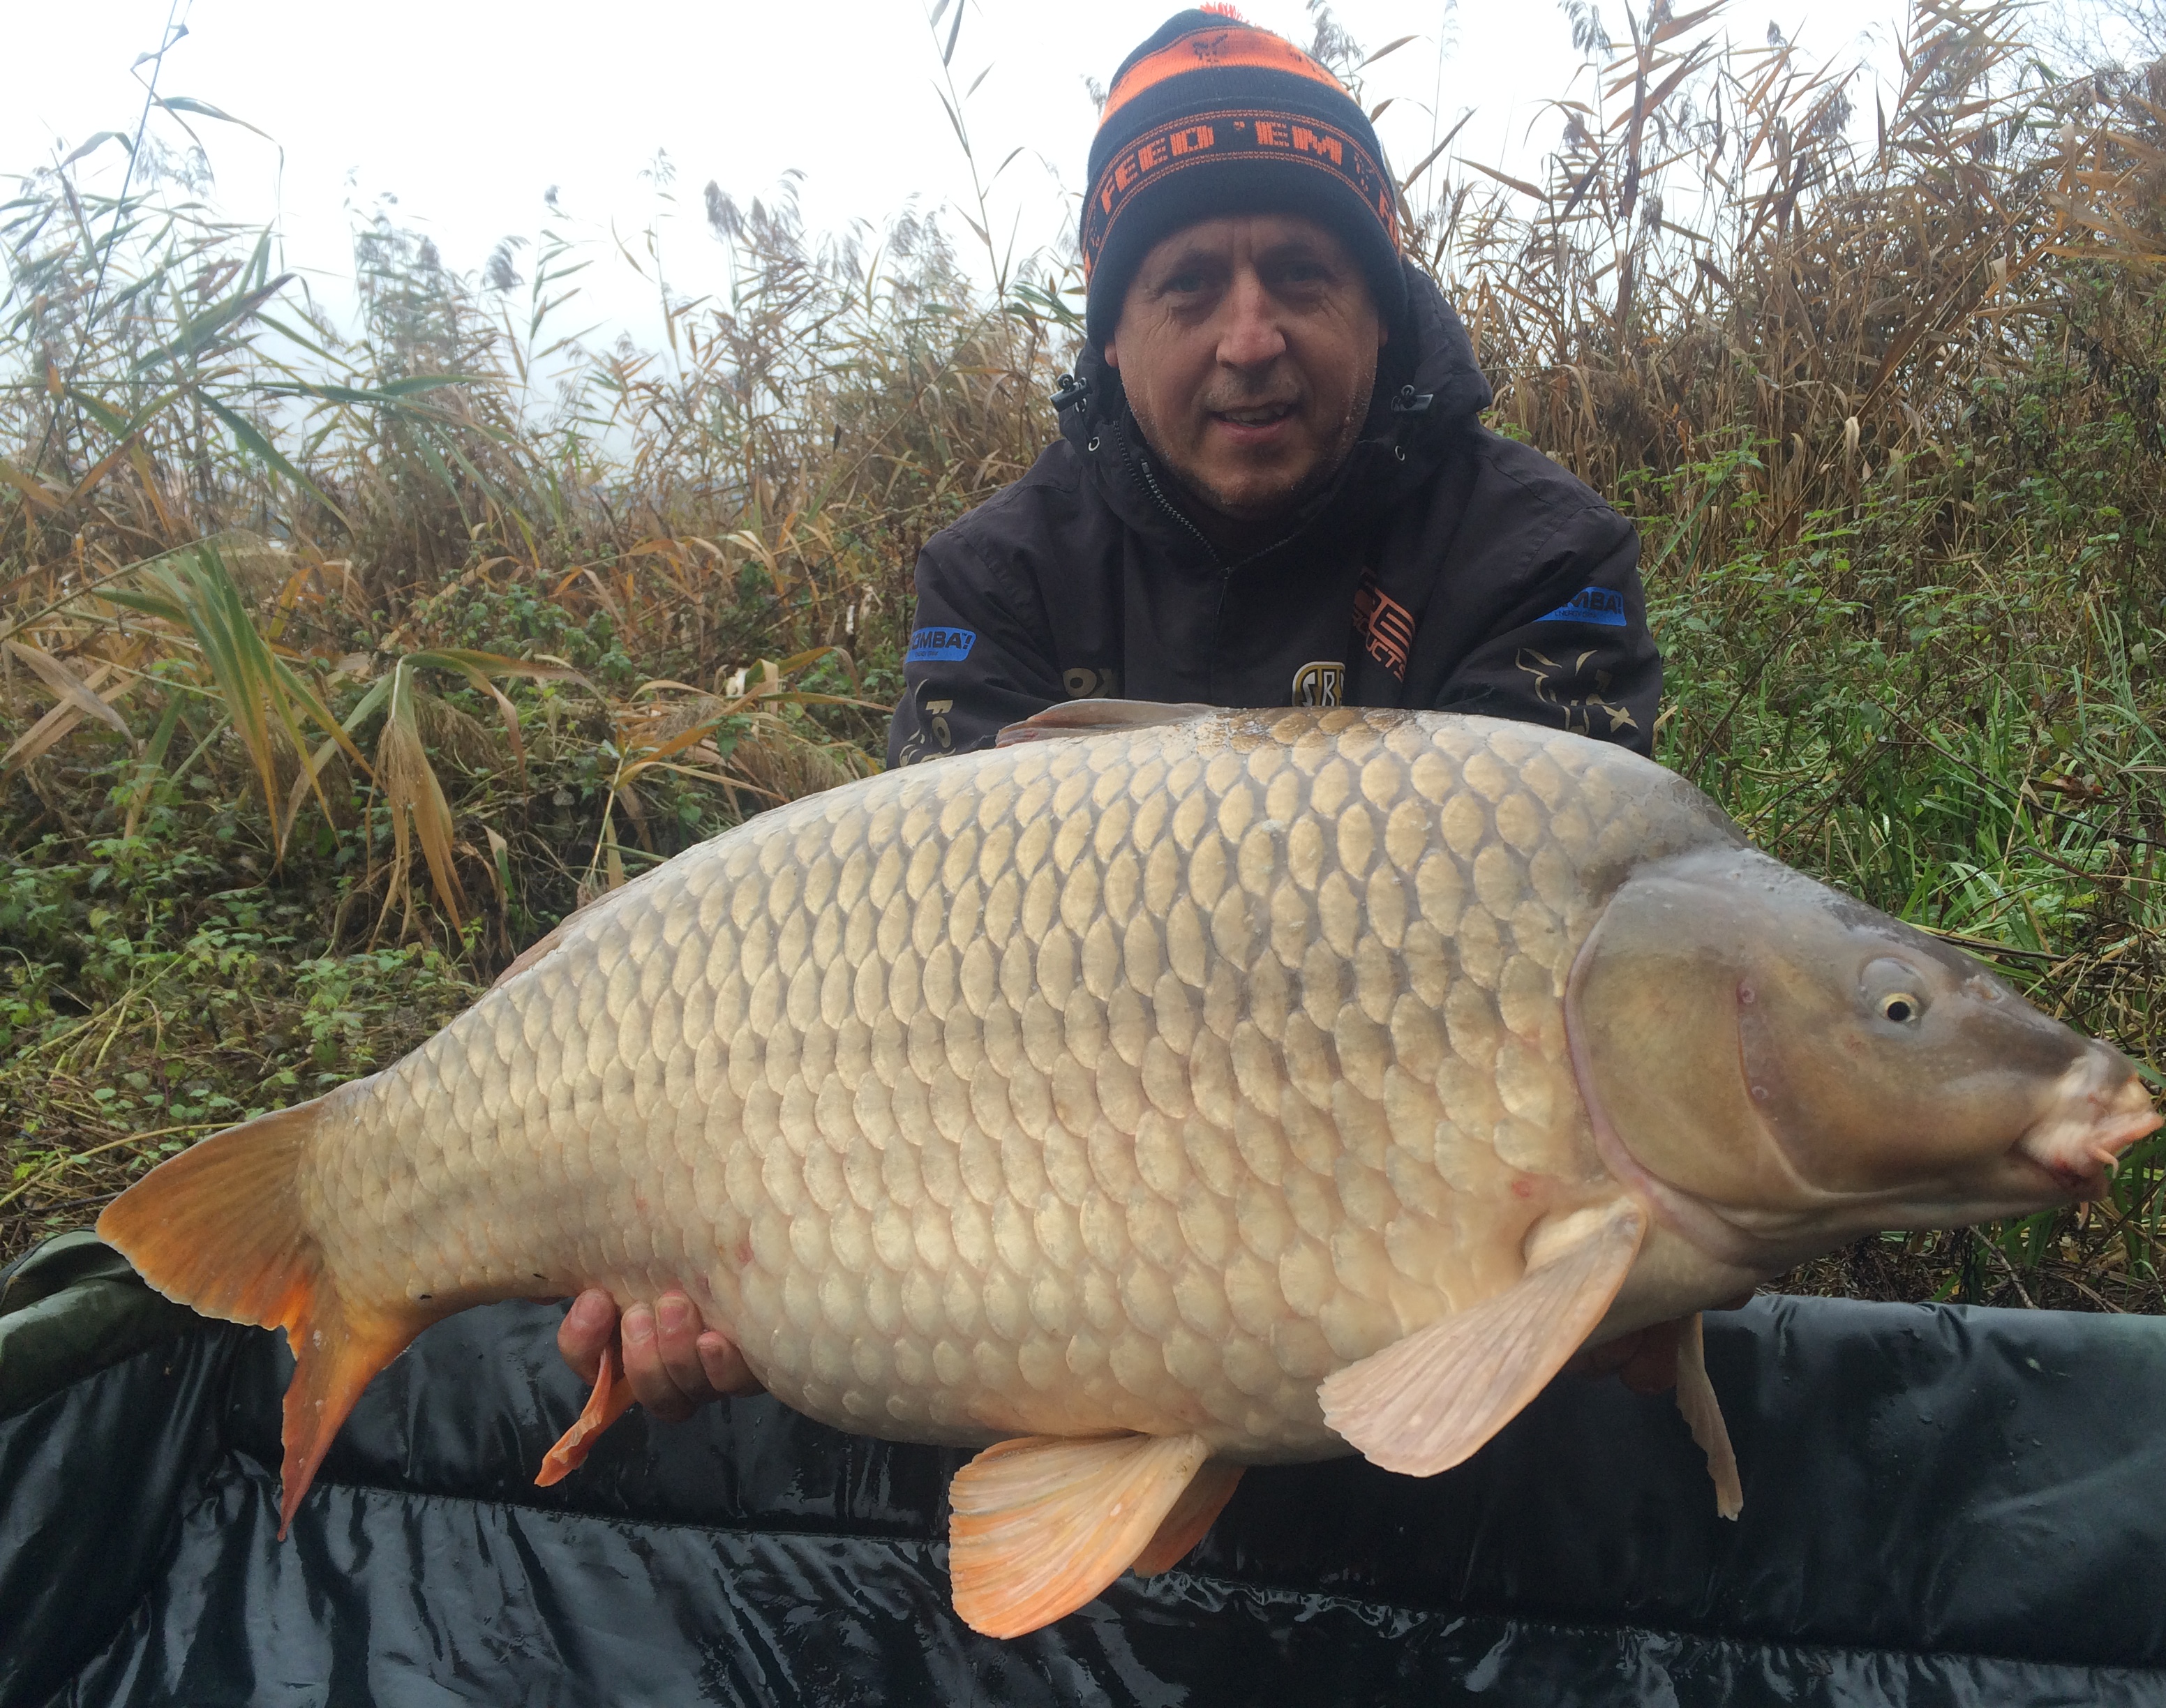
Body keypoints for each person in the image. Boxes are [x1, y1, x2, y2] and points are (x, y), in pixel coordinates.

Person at [559, 7, 1664, 1422]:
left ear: (1380, 297)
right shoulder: (999, 572)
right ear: (1113, 316)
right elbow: (914, 997)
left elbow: (1548, 984)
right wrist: (741, 1249)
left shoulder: (1536, 553)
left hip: (1419, 1245)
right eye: (1190, 284)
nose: (1250, 338)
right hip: (1071, 1219)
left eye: (1305, 275)